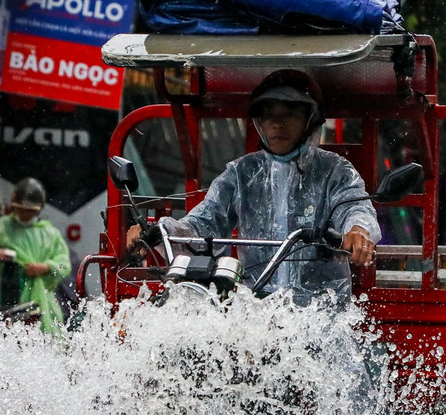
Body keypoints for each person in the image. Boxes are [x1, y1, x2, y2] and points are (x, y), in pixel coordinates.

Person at [126, 69, 380, 304]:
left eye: (290, 113)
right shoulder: (241, 172)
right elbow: (202, 224)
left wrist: (358, 229)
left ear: (310, 119)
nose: (277, 123)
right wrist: (160, 230)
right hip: (255, 310)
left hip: (322, 314)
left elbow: (356, 207)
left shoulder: (335, 170)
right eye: (269, 114)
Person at [0, 177, 71, 334]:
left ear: (39, 209)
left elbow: (64, 265)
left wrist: (45, 267)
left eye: (29, 211)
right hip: (2, 296)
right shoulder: (0, 229)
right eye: (20, 209)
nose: (24, 214)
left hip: (40, 303)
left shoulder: (50, 234)